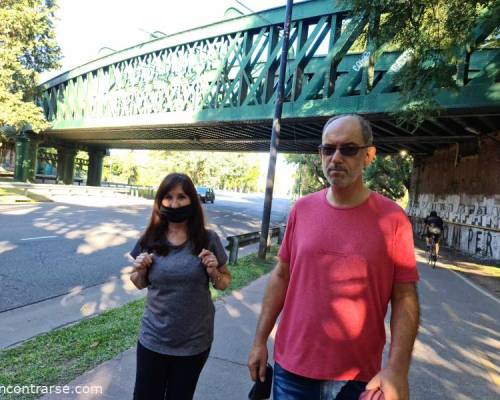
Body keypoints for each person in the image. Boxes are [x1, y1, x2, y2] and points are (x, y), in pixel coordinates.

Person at [248, 114, 420, 400]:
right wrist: (259, 341)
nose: (336, 157)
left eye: (349, 149)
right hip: (292, 370)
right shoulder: (301, 210)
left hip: (357, 378)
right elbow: (281, 276)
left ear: (369, 155)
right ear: (321, 154)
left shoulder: (393, 219)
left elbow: (405, 297)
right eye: (329, 149)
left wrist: (397, 370)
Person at [129, 172, 231, 400]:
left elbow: (224, 282)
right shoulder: (150, 238)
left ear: (192, 201)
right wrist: (140, 269)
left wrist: (214, 271)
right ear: (160, 201)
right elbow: (137, 283)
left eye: (182, 197)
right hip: (153, 339)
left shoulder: (208, 239)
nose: (174, 204)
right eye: (168, 197)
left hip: (194, 342)